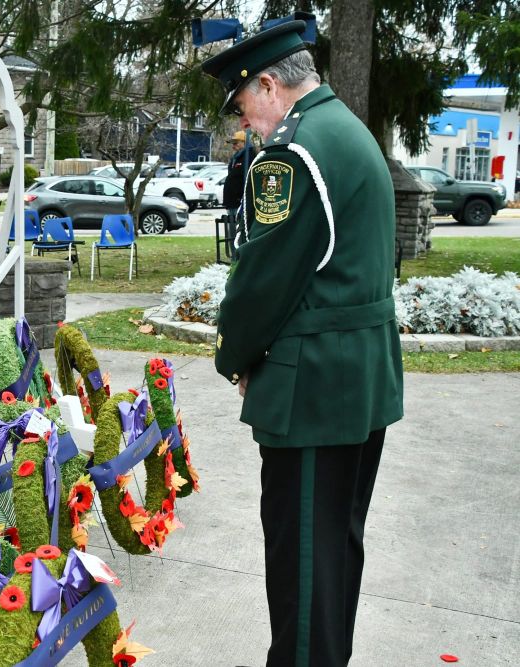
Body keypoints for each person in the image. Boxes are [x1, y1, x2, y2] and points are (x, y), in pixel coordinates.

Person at [201, 21, 403, 667]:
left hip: (313, 391)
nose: (245, 124)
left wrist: (233, 354)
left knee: (303, 569)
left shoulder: (294, 149)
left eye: (244, 106)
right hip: (354, 382)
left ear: (268, 84)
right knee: (333, 557)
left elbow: (264, 280)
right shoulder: (344, 128)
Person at [223, 129, 258, 226]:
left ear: (244, 142)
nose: (233, 146)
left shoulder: (249, 156)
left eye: (236, 143)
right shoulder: (237, 157)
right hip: (233, 202)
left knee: (238, 230)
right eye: (232, 144)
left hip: (240, 202)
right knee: (232, 231)